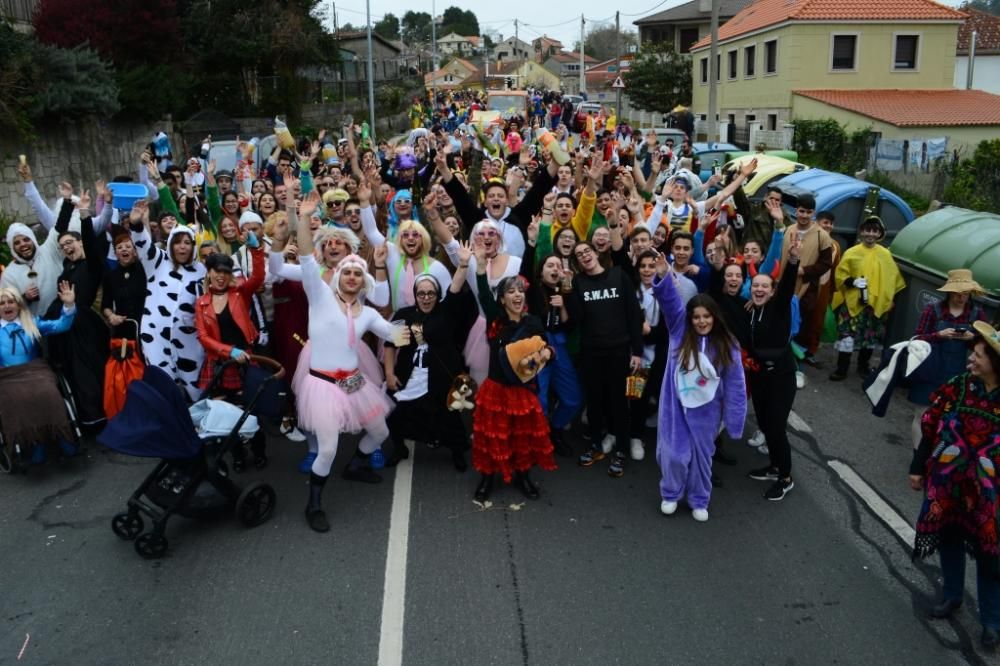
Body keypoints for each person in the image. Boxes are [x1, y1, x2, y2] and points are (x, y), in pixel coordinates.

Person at [271, 191, 405, 534]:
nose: (350, 277)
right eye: (346, 273)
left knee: (380, 431)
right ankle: (313, 505)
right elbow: (303, 257)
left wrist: (425, 328)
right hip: (322, 382)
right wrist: (302, 218)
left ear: (363, 282)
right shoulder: (319, 295)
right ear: (338, 275)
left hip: (354, 381)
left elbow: (394, 331)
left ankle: (357, 466)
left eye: (357, 275)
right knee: (327, 448)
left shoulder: (367, 314)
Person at [909, 321, 1000, 650]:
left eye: (978, 356)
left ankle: (992, 621)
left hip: (989, 497)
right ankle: (952, 596)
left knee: (991, 557)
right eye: (972, 353)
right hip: (947, 486)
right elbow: (930, 426)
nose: (971, 360)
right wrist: (917, 468)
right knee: (948, 538)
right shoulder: (957, 387)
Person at [652, 252, 746, 521]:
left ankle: (699, 498)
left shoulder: (728, 344)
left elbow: (736, 384)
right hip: (676, 407)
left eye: (707, 316)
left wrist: (734, 420)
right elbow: (670, 304)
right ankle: (670, 493)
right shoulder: (679, 332)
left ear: (715, 317)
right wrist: (663, 277)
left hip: (707, 411)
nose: (702, 321)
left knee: (702, 459)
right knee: (675, 455)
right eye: (696, 317)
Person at [470, 245, 556, 502]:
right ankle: (487, 478)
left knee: (522, 437)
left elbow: (545, 346)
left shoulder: (533, 322)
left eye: (520, 291)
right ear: (502, 299)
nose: (517, 295)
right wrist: (481, 267)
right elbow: (483, 293)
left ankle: (523, 476)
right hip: (495, 390)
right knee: (492, 438)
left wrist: (549, 352)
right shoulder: (495, 319)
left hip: (523, 391)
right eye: (511, 291)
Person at [384, 268, 477, 471]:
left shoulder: (447, 313)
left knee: (448, 416)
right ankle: (399, 448)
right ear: (415, 294)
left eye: (431, 293)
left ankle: (456, 450)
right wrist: (389, 374)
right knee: (396, 415)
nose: (426, 298)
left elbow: (455, 288)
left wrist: (462, 264)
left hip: (441, 376)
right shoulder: (404, 315)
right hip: (410, 375)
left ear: (438, 295)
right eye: (421, 293)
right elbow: (391, 345)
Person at [570, 240, 644, 477]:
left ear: (596, 253)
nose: (584, 256)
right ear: (577, 262)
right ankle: (595, 445)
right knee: (594, 403)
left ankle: (621, 450)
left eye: (587, 251)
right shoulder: (578, 282)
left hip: (619, 351)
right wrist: (568, 286)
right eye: (579, 254)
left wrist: (638, 351)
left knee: (619, 403)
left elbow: (633, 315)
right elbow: (576, 318)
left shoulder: (618, 275)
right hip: (591, 352)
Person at [194, 244, 267, 471]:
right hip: (219, 363)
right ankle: (236, 454)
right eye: (217, 271)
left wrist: (256, 250)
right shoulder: (201, 302)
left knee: (250, 409)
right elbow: (203, 337)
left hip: (245, 359)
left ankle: (258, 451)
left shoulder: (240, 293)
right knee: (225, 413)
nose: (221, 276)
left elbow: (257, 277)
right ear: (209, 272)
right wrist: (227, 351)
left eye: (226, 272)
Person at [744, 233, 804, 501]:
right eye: (755, 285)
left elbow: (788, 286)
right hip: (760, 378)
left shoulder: (779, 308)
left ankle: (785, 477)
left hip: (781, 378)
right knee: (766, 424)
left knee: (777, 427)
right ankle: (774, 466)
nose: (758, 290)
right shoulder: (751, 310)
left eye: (764, 287)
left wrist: (793, 259)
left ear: (771, 291)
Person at [129, 199, 207, 402]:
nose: (182, 247)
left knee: (194, 386)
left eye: (187, 242)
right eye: (178, 242)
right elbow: (143, 245)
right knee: (163, 386)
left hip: (189, 338)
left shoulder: (201, 270)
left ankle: (197, 423)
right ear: (170, 243)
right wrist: (137, 224)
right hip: (155, 335)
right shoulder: (157, 261)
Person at [0, 282, 78, 465]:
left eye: (11, 301)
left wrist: (68, 305)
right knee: (17, 398)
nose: (7, 306)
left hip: (35, 369)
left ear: (18, 304)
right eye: (2, 303)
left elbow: (61, 326)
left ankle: (62, 436)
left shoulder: (32, 322)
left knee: (47, 392)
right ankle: (35, 443)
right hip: (7, 376)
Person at [908, 269, 987, 447]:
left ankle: (936, 454)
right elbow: (917, 338)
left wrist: (972, 338)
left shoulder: (976, 314)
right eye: (958, 293)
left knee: (949, 416)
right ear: (949, 291)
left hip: (956, 372)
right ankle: (917, 456)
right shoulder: (933, 309)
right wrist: (938, 335)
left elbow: (985, 349)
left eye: (965, 294)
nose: (961, 298)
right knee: (921, 413)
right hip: (930, 368)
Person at [828, 216, 905, 381]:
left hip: (874, 305)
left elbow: (892, 279)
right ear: (862, 232)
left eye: (874, 230)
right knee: (847, 336)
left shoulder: (885, 255)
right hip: (852, 303)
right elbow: (840, 275)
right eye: (867, 230)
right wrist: (852, 281)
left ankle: (863, 367)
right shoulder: (852, 253)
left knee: (869, 336)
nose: (870, 234)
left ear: (879, 234)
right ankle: (842, 369)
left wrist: (889, 300)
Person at [779, 193, 833, 369]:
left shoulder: (821, 235)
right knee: (783, 320)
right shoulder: (789, 230)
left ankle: (797, 363)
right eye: (802, 211)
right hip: (785, 284)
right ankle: (782, 356)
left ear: (814, 213)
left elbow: (826, 263)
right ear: (796, 211)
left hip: (806, 288)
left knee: (802, 323)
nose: (804, 215)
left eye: (808, 212)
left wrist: (804, 271)